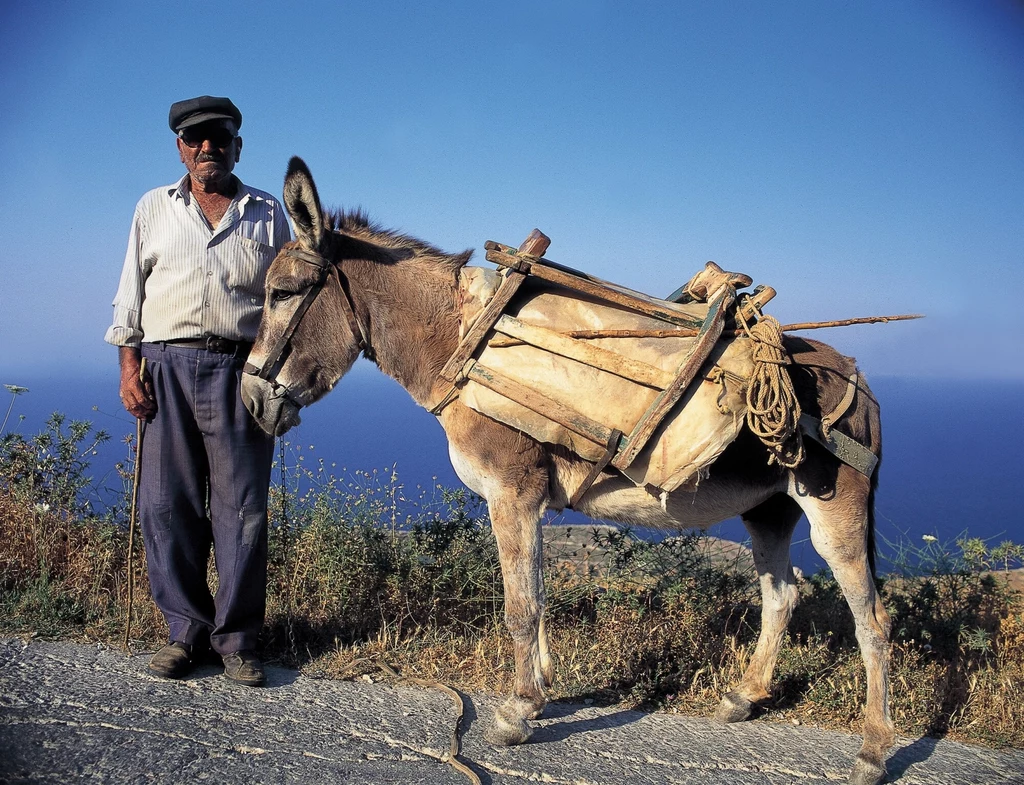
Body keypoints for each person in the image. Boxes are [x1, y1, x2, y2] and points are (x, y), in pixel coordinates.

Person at [105, 95, 291, 686]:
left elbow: (285, 301)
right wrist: (128, 368)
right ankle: (184, 633)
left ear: (237, 145)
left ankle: (236, 640)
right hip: (165, 367)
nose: (206, 146)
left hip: (241, 370)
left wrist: (278, 378)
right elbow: (129, 294)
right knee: (165, 506)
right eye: (195, 138)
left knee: (242, 513)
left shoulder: (265, 213)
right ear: (180, 147)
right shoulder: (152, 208)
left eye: (218, 136)